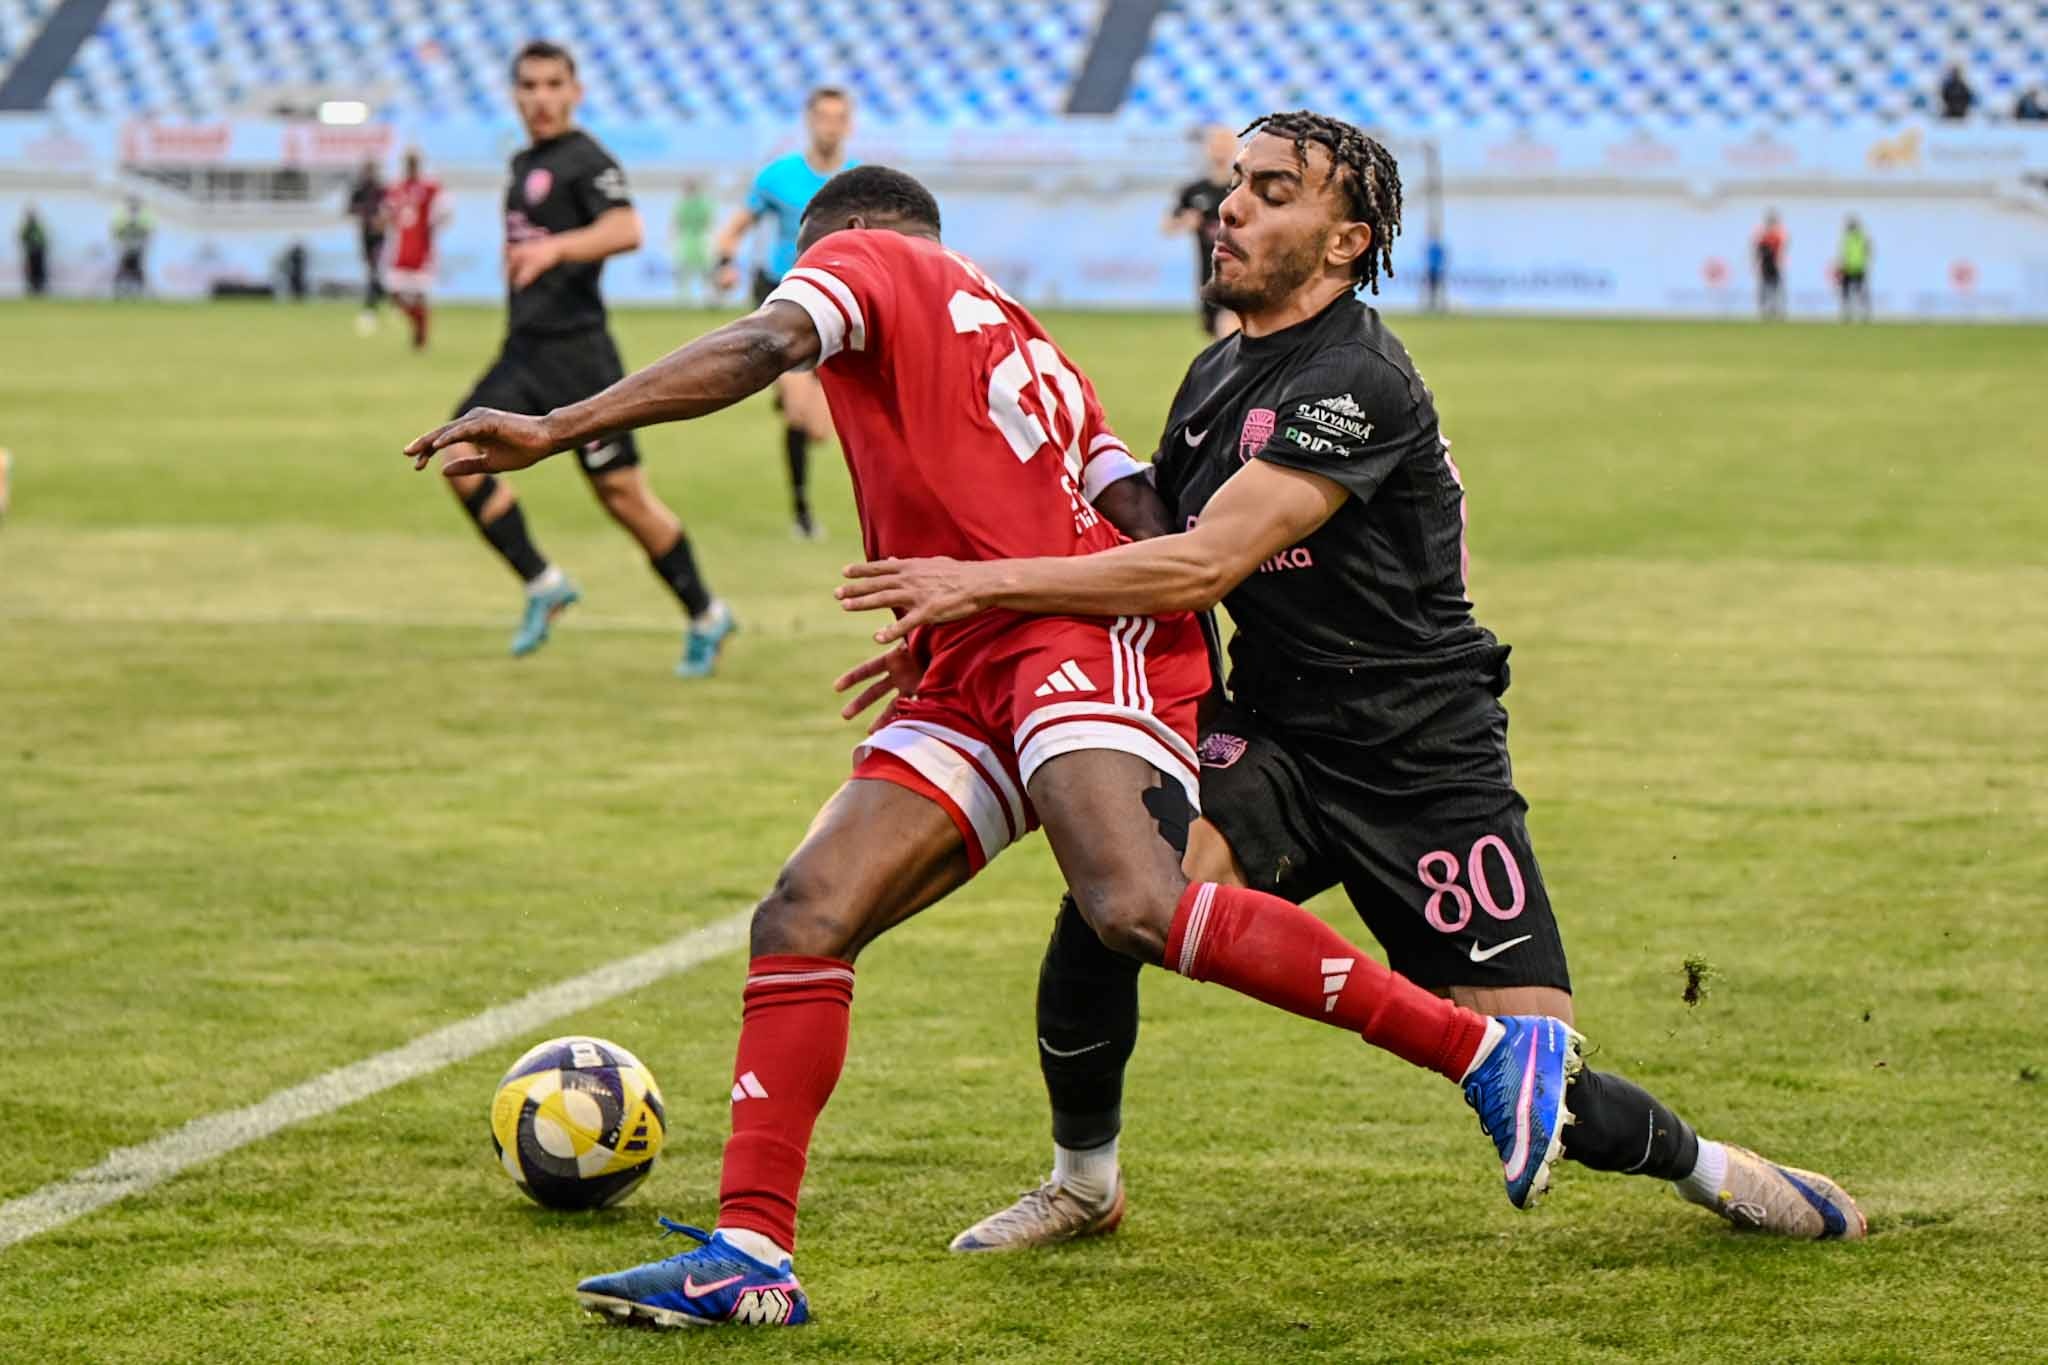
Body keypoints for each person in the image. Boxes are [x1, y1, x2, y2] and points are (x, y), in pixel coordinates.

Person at [405, 163, 1583, 1329]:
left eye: (805, 268)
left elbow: (761, 347)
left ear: (838, 241)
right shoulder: (1014, 332)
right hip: (976, 648)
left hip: (1061, 634)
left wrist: (556, 426)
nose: (803, 291)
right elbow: (1132, 505)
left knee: (1131, 904)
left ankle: (1477, 1055)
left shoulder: (867, 256)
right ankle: (751, 1257)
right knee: (804, 913)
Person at [833, 114, 1867, 1253]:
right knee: (1113, 903)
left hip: (1423, 758)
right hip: (1275, 735)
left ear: (1345, 241)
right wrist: (962, 629)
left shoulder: (1354, 379)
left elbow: (1199, 566)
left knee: (1537, 1077)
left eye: (1273, 192)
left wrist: (976, 586)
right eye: (1238, 182)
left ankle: (1715, 1170)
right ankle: (1084, 1183)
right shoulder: (1217, 372)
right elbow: (1130, 539)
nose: (1232, 206)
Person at [429, 39, 732, 674]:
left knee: (623, 497)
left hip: (580, 358)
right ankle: (544, 584)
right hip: (523, 352)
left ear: (575, 92)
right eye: (529, 86)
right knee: (458, 453)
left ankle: (706, 613)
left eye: (553, 85)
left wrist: (555, 249)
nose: (541, 98)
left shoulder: (586, 159)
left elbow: (627, 229)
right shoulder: (523, 163)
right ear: (515, 95)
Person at [711, 86, 856, 540]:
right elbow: (734, 229)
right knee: (799, 413)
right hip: (785, 297)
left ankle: (786, 389)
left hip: (837, 304)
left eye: (838, 118)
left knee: (820, 431)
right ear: (810, 122)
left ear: (848, 125)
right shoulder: (778, 176)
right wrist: (724, 263)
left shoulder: (858, 182)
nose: (829, 126)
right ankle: (802, 512)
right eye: (822, 117)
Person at [1165, 124, 1239, 338]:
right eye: (1216, 143)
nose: (1220, 149)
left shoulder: (1243, 188)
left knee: (1229, 332)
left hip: (1240, 275)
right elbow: (1167, 226)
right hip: (1209, 276)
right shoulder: (1194, 190)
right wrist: (1185, 222)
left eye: (1225, 143)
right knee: (1219, 341)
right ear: (1207, 148)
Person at [383, 149, 449, 351]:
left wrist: (433, 226)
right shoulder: (396, 188)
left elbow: (445, 211)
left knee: (420, 297)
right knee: (394, 294)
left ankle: (421, 338)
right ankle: (418, 327)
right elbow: (389, 214)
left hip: (422, 252)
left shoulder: (430, 188)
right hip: (400, 251)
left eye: (413, 162)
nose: (410, 166)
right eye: (408, 162)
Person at [347, 158, 386, 332]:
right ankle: (377, 296)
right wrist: (364, 214)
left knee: (374, 266)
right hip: (365, 234)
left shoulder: (381, 189)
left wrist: (380, 219)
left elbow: (389, 208)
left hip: (379, 234)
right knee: (370, 267)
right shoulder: (359, 188)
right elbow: (350, 208)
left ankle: (372, 302)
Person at [671, 175, 717, 305]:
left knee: (689, 272)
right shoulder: (704, 204)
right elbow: (710, 222)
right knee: (702, 272)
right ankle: (706, 297)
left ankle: (686, 298)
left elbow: (676, 224)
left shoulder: (682, 204)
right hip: (700, 240)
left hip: (688, 241)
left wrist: (672, 240)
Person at [111, 197, 151, 299]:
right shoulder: (122, 216)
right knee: (122, 270)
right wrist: (120, 244)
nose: (133, 208)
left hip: (137, 249)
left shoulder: (143, 218)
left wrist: (142, 244)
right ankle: (118, 291)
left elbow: (147, 233)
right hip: (126, 249)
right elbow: (116, 232)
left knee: (137, 271)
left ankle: (139, 292)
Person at [1837, 215, 1872, 323]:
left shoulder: (1849, 238)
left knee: (1850, 293)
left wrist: (1842, 266)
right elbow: (1868, 251)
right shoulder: (1862, 237)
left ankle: (1853, 314)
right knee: (1856, 293)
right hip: (1857, 268)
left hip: (1852, 268)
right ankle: (1857, 314)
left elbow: (1844, 254)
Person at [1754, 210, 1786, 320]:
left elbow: (1780, 250)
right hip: (1765, 266)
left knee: (1776, 290)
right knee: (1764, 289)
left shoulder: (1777, 236)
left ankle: (1776, 310)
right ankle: (1765, 310)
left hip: (1774, 266)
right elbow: (1758, 251)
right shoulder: (1763, 236)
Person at [19, 207, 49, 297]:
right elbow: (22, 238)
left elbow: (43, 239)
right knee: (31, 271)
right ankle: (32, 288)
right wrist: (30, 245)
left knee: (39, 270)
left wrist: (39, 246)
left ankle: (39, 288)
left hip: (39, 253)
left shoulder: (38, 227)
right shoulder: (27, 227)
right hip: (30, 253)